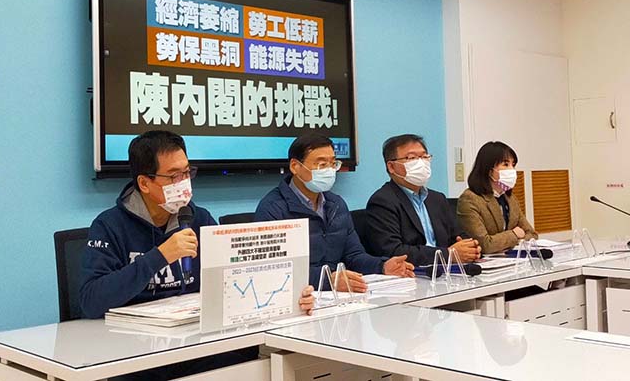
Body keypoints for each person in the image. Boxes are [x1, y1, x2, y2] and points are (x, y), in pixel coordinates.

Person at [80, 130, 314, 380]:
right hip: (136, 354)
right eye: (173, 176)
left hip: (194, 344)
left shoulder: (197, 218)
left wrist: (289, 298)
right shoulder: (109, 225)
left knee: (254, 361)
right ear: (145, 183)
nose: (183, 183)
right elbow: (91, 301)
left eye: (187, 173)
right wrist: (159, 256)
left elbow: (237, 284)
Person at [255, 133, 415, 294]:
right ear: (295, 166)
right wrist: (328, 280)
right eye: (321, 164)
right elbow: (276, 270)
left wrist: (382, 266)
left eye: (333, 163)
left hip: (336, 297)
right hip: (300, 297)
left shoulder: (336, 204)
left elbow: (354, 255)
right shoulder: (273, 209)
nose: (329, 170)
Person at [365, 134, 480, 266]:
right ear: (391, 166)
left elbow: (458, 235)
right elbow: (393, 251)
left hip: (448, 271)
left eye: (424, 157)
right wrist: (448, 254)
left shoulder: (437, 199)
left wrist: (471, 248)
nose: (421, 163)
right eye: (412, 158)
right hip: (414, 273)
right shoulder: (382, 202)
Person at [457, 141, 538, 254]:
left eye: (513, 165)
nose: (512, 170)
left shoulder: (510, 198)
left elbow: (532, 234)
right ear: (489, 170)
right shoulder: (470, 199)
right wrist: (514, 234)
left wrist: (504, 242)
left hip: (510, 259)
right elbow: (484, 244)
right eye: (506, 164)